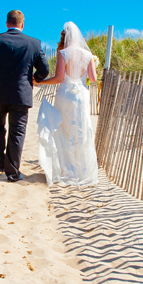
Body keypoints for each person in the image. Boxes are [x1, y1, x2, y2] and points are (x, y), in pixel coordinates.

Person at [0, 10, 49, 182]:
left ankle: (0, 164)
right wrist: (35, 79)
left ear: (7, 23)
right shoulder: (34, 43)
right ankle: (12, 172)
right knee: (17, 132)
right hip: (21, 94)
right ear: (22, 24)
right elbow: (44, 69)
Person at [36, 21, 99, 186]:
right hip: (82, 96)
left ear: (65, 37)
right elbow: (93, 79)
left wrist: (41, 82)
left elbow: (57, 78)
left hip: (65, 95)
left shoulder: (63, 53)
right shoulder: (88, 55)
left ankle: (66, 169)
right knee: (82, 130)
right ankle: (82, 171)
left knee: (63, 129)